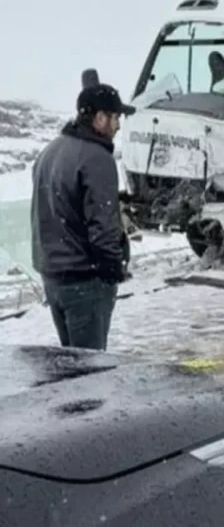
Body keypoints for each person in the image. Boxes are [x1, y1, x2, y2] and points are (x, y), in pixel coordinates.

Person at [30, 80, 135, 351]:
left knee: (72, 364)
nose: (118, 125)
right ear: (100, 118)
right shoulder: (96, 158)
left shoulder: (49, 152)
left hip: (53, 276)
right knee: (89, 369)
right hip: (84, 280)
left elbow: (49, 212)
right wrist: (113, 269)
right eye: (115, 118)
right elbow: (103, 226)